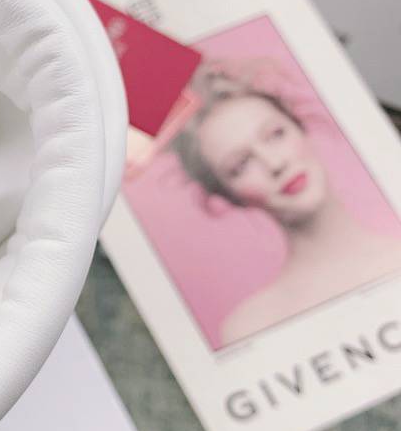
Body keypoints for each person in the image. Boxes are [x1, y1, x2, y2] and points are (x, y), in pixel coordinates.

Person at [171, 63, 401, 345]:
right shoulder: (250, 327)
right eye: (241, 165)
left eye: (275, 135)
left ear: (299, 127)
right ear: (230, 195)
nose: (275, 163)